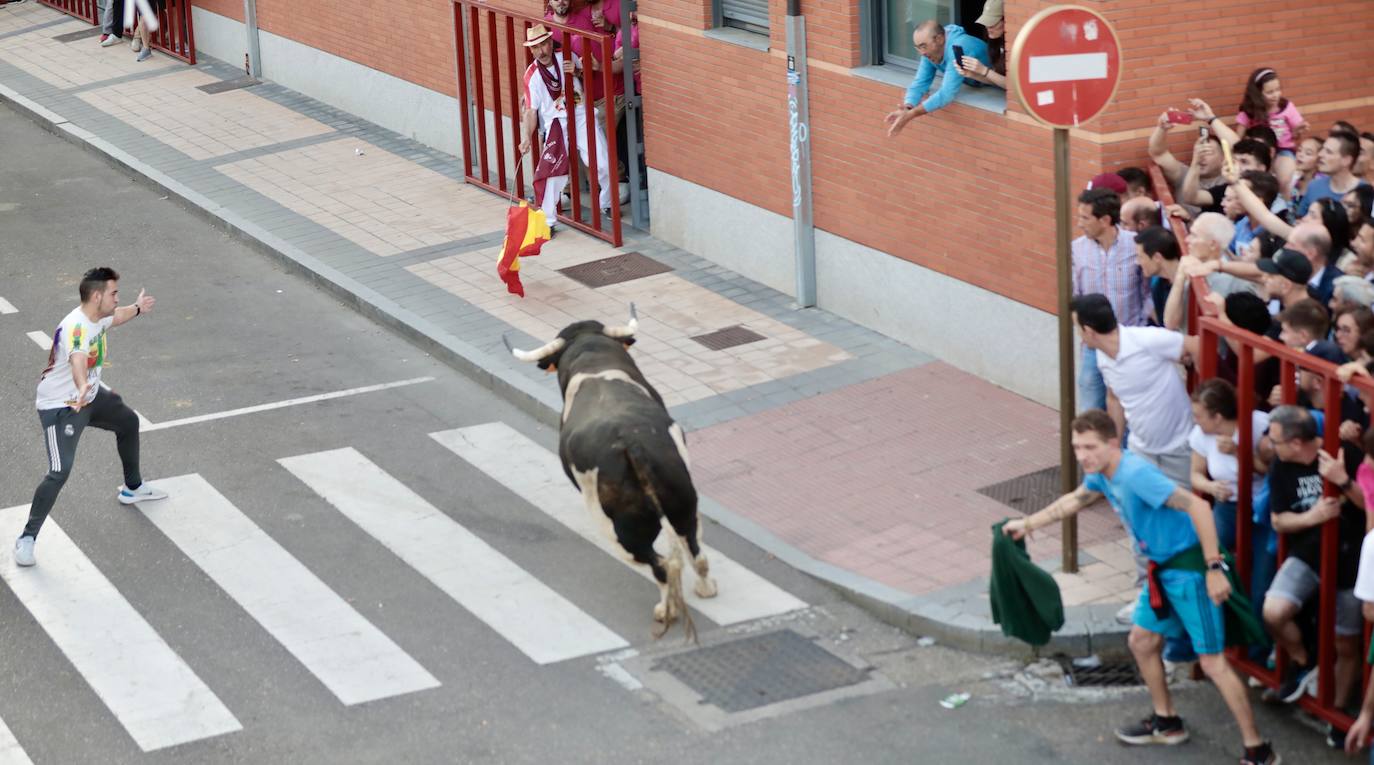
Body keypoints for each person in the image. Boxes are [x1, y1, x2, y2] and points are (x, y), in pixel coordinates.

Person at [1003, 410, 1278, 765]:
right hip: (1161, 571)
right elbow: (1076, 499)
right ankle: (1167, 723)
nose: (1082, 455)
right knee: (1142, 641)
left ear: (1113, 443)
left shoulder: (1134, 475)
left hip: (1189, 572)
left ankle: (1258, 749)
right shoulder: (1102, 473)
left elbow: (1199, 507)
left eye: (1090, 447)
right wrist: (1027, 522)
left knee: (1212, 663)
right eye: (1077, 447)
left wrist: (1213, 568)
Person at [14, 268, 167, 568]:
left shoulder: (99, 316)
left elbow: (117, 316)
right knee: (60, 471)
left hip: (91, 397)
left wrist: (137, 308)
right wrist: (82, 383)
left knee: (128, 421)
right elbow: (78, 360)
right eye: (113, 293)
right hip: (62, 406)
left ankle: (132, 488)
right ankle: (27, 538)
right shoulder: (77, 328)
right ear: (97, 296)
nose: (117, 298)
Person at [1261, 405, 1365, 710]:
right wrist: (1313, 517)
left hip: (1352, 562)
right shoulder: (1281, 465)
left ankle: (1335, 711)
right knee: (1273, 611)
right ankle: (1305, 662)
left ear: (1296, 443)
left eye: (1275, 440)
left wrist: (1342, 479)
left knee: (1345, 642)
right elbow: (1279, 521)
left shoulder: (1343, 453)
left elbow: (1369, 504)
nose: (1270, 445)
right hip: (1308, 553)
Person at [517, 24, 614, 235]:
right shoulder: (531, 75)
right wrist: (526, 137)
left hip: (580, 115)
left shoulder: (567, 55)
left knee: (602, 162)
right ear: (531, 50)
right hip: (556, 125)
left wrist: (577, 71)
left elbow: (587, 76)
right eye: (536, 47)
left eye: (544, 44)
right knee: (553, 172)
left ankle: (606, 201)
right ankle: (548, 221)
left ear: (550, 43)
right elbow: (531, 111)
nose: (541, 51)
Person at [1071, 188, 1147, 413]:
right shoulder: (1077, 249)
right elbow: (1076, 293)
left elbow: (1147, 292)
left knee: (1128, 407)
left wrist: (1141, 328)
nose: (1079, 223)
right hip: (1093, 345)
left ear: (1104, 220)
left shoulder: (1136, 245)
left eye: (1085, 218)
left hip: (1129, 342)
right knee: (1091, 406)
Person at [884, 20, 990, 137]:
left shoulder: (959, 47)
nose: (921, 53)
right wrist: (907, 107)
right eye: (918, 48)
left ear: (939, 39)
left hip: (1001, 85)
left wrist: (912, 114)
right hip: (977, 82)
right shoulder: (929, 51)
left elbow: (946, 94)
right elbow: (920, 83)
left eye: (923, 46)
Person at [1235, 68, 1307, 194]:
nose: (1276, 95)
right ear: (1257, 93)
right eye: (1270, 92)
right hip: (1258, 153)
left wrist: (1299, 130)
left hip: (1283, 150)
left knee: (1284, 179)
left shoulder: (1286, 107)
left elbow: (1296, 135)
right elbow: (1237, 138)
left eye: (1278, 90)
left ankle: (1286, 206)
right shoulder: (1249, 111)